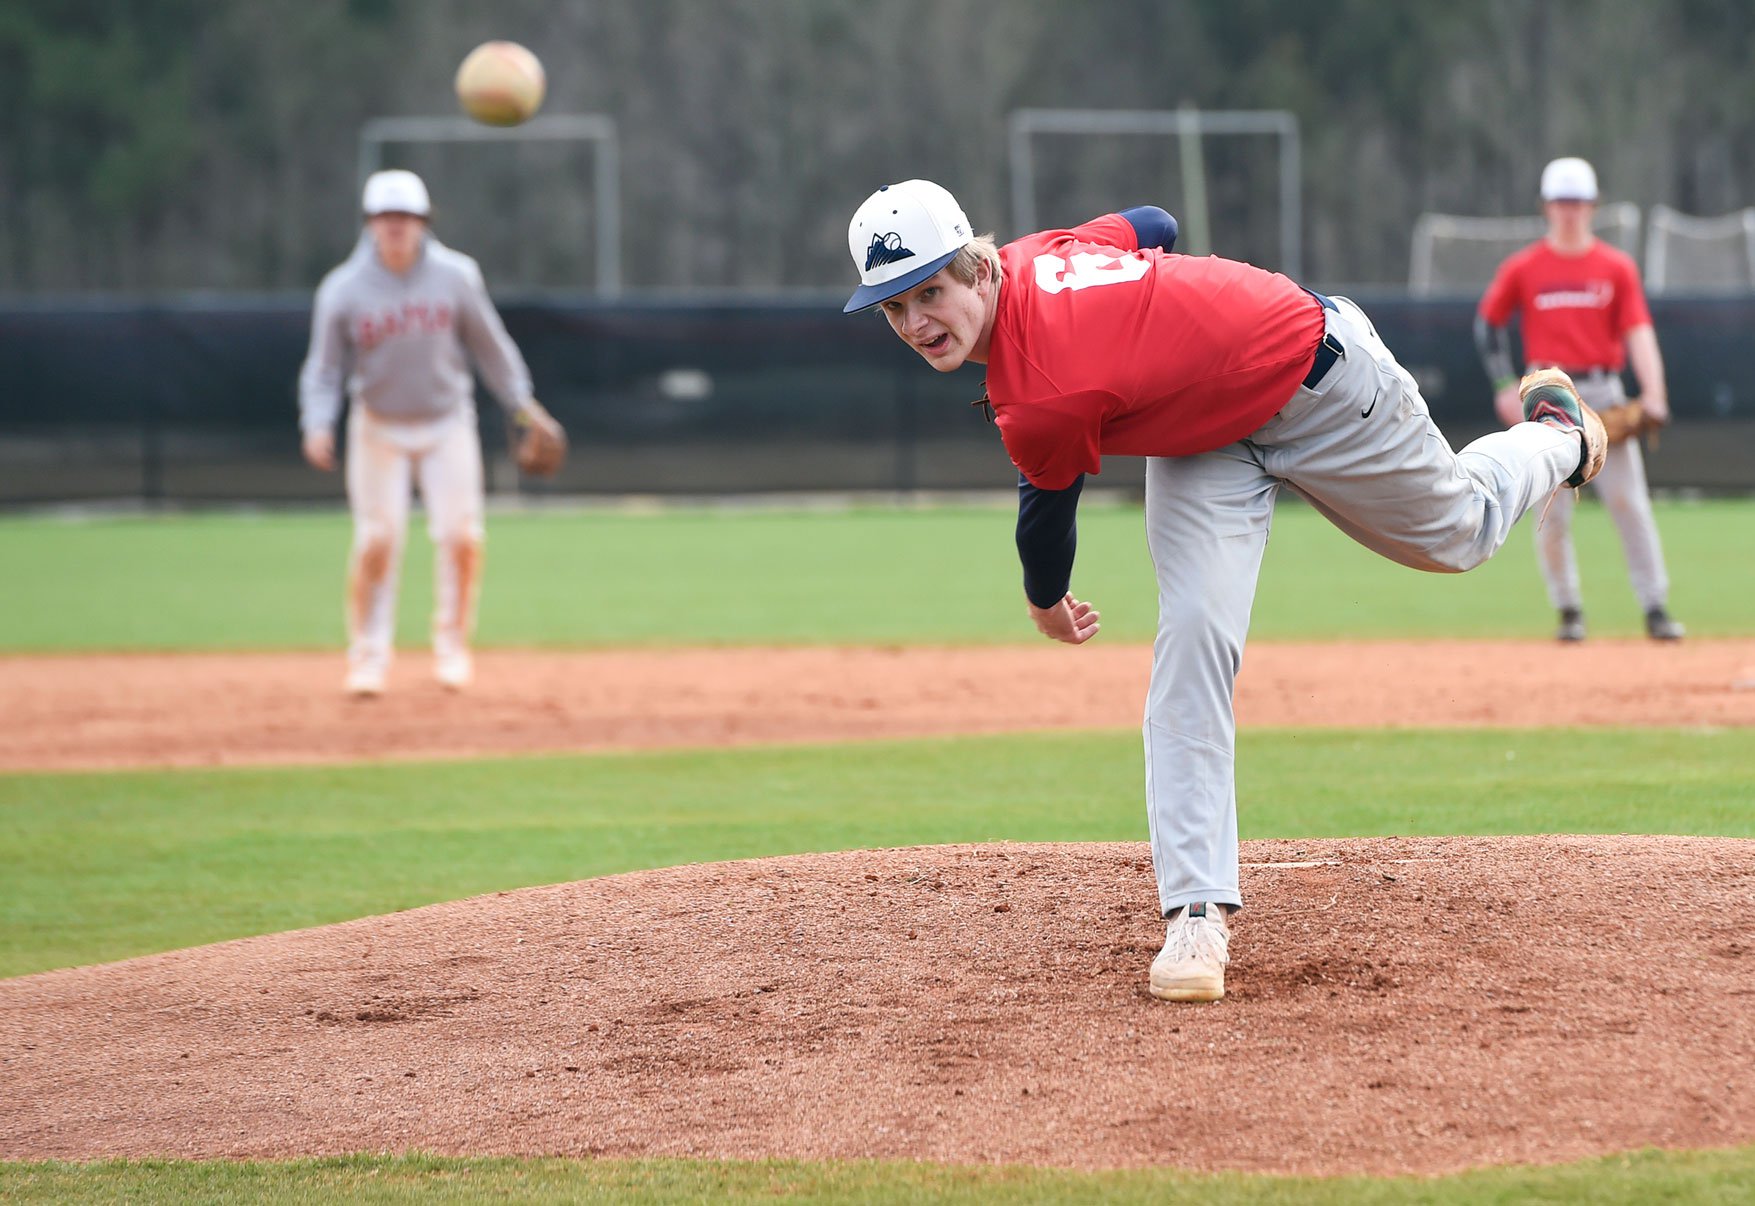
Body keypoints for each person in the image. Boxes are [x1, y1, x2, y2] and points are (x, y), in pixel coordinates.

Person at [842, 179, 1607, 1003]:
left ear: (980, 271)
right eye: (894, 307)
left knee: (1460, 532)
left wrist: (1044, 602)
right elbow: (1153, 224)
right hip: (1201, 436)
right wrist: (1154, 325)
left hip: (1317, 381)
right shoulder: (1048, 253)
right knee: (1194, 640)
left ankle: (1555, 435)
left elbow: (1045, 518)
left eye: (931, 291)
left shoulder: (1043, 393)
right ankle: (1194, 916)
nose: (918, 323)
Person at [298, 169, 563, 696]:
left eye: (407, 217)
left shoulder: (456, 276)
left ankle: (452, 646)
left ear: (424, 222)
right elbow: (324, 369)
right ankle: (369, 657)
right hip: (377, 426)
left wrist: (521, 404)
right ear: (370, 223)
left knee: (463, 537)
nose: (396, 226)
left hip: (446, 422)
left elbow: (491, 346)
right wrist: (317, 422)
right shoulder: (343, 290)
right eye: (386, 217)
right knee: (378, 539)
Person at [1476, 156, 1684, 643]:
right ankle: (1568, 609)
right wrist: (1504, 386)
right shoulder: (1524, 268)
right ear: (1546, 207)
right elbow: (1487, 325)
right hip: (1548, 393)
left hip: (1604, 393)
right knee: (1550, 510)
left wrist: (1653, 391)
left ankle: (1655, 607)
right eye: (1561, 202)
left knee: (1630, 504)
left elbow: (1639, 333)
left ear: (1593, 207)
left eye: (1577, 202)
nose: (1569, 211)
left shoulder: (1615, 267)